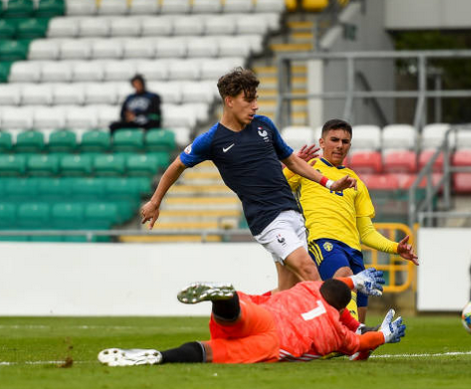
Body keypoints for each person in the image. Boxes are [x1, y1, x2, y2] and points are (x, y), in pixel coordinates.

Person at [140, 68, 357, 293]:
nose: (255, 106)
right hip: (267, 219)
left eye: (256, 99)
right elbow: (177, 166)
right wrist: (155, 202)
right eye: (248, 99)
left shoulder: (264, 125)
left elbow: (292, 161)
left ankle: (237, 311)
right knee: (309, 270)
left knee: (288, 290)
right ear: (230, 101)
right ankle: (344, 328)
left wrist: (330, 184)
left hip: (292, 213)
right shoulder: (212, 140)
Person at [98, 268, 406, 366]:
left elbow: (337, 287)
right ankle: (160, 358)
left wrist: (354, 281)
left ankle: (223, 297)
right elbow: (358, 343)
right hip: (275, 343)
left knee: (233, 317)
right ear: (342, 309)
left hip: (268, 316)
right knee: (211, 352)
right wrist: (383, 336)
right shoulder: (336, 333)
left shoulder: (307, 288)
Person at [284, 119, 419, 324]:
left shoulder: (357, 183)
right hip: (323, 242)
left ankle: (349, 342)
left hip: (353, 251)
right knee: (344, 277)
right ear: (322, 142)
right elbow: (276, 187)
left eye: (345, 141)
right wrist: (291, 164)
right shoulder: (307, 168)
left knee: (360, 337)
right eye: (334, 139)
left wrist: (395, 248)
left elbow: (366, 232)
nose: (340, 145)